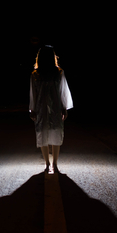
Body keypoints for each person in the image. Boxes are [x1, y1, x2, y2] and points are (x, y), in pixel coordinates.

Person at [29, 45, 73, 173]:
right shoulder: (55, 72)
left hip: (42, 107)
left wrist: (32, 108)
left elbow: (34, 94)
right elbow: (62, 92)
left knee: (44, 133)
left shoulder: (37, 74)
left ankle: (48, 164)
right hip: (54, 107)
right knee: (54, 133)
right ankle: (53, 164)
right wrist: (64, 107)